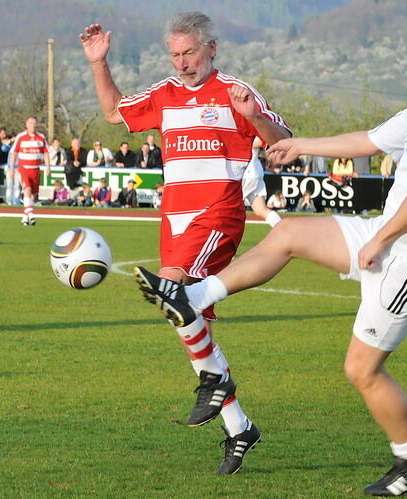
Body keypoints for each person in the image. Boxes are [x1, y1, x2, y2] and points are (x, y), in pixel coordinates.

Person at [134, 26, 407, 494]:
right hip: (391, 238)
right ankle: (192, 297)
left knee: (361, 371)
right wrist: (302, 145)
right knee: (290, 234)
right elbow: (370, 139)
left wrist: (380, 239)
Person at [81, 11, 290, 474]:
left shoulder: (237, 93)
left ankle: (215, 382)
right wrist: (99, 62)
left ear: (211, 49)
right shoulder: (164, 95)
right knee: (187, 321)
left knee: (169, 289)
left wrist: (255, 118)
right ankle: (239, 427)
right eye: (175, 55)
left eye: (190, 53)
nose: (182, 63)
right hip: (174, 220)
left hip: (219, 212)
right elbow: (115, 112)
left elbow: (283, 142)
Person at [10, 116, 51, 225]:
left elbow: (46, 152)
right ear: (26, 124)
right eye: (30, 123)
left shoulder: (41, 137)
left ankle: (25, 217)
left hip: (36, 170)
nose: (32, 125)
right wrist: (11, 168)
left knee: (33, 195)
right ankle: (31, 214)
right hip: (24, 169)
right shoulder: (21, 137)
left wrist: (48, 167)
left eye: (34, 123)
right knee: (26, 190)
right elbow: (14, 153)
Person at [242, 137, 281, 227]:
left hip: (246, 172)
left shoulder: (245, 128)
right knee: (261, 210)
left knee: (229, 207)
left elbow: (261, 141)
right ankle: (283, 230)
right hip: (254, 170)